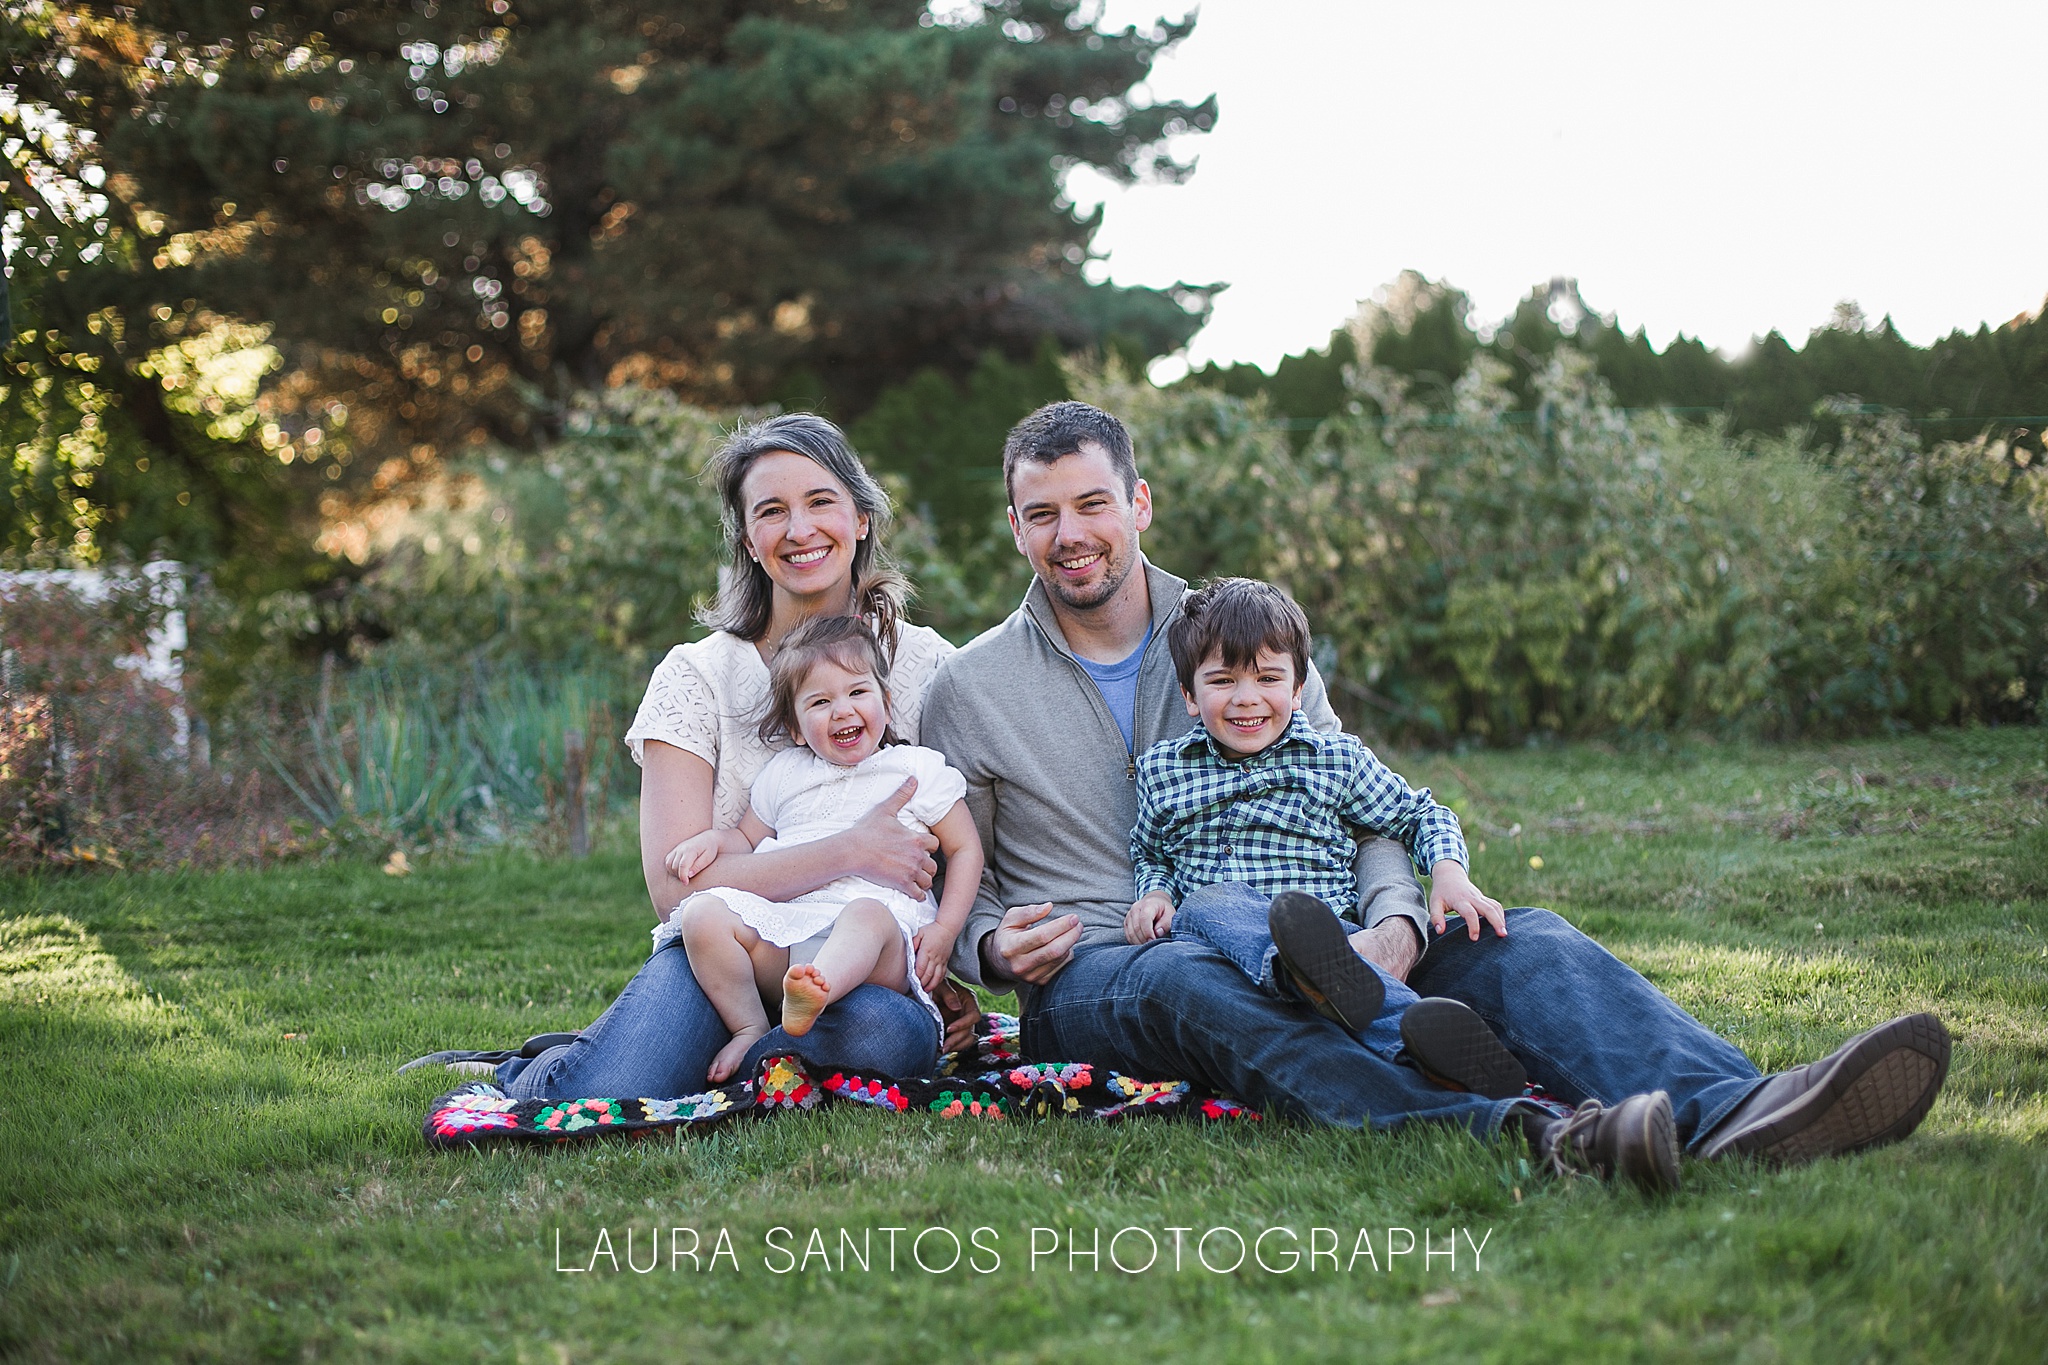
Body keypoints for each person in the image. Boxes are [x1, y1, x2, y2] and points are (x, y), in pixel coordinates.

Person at [922, 399, 1951, 1185]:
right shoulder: (970, 688)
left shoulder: (1239, 633)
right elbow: (952, 878)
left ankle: (1745, 1107)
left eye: (1092, 503)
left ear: (1136, 504)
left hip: (1311, 928)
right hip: (1112, 964)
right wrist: (988, 948)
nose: (1071, 533)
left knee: (1519, 938)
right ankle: (1539, 1134)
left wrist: (1397, 920)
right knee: (1199, 979)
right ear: (1014, 527)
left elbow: (1358, 801)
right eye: (1041, 513)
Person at [487, 413, 960, 1099]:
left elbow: (965, 842)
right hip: (725, 953)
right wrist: (849, 851)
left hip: (855, 966)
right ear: (748, 539)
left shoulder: (929, 666)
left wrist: (948, 956)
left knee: (883, 1034)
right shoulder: (696, 675)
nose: (799, 530)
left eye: (820, 502)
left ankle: (740, 1052)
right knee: (595, 1095)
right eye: (772, 512)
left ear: (860, 517)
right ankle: (544, 1064)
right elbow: (677, 889)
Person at [1126, 575, 1544, 1109]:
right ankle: (1409, 1041)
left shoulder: (1332, 759)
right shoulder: (1164, 771)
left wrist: (1448, 870)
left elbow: (1418, 812)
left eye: (1268, 678)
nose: (1246, 699)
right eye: (1223, 681)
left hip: (1333, 943)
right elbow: (1152, 850)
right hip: (1217, 956)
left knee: (1328, 962)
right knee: (1209, 900)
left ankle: (1329, 986)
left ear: (1299, 688)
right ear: (1189, 695)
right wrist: (1156, 893)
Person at [664, 615, 982, 1081]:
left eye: (857, 693)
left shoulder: (913, 768)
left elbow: (965, 850)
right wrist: (712, 840)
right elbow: (747, 839)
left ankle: (818, 991)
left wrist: (945, 931)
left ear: (886, 704)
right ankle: (750, 1026)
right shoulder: (786, 773)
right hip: (792, 936)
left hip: (881, 947)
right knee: (703, 915)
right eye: (820, 701)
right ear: (795, 728)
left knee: (867, 913)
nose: (842, 710)